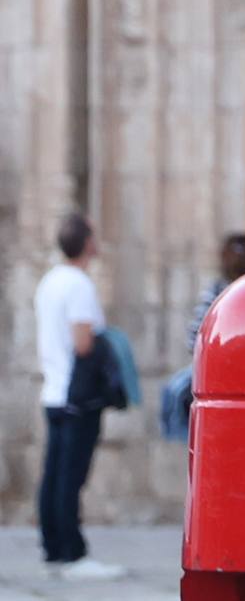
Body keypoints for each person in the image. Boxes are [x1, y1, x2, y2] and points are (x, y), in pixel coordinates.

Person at [32, 213, 125, 581]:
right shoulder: (79, 285)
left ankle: (53, 546)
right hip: (77, 397)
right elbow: (83, 341)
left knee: (54, 474)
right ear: (87, 242)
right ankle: (72, 553)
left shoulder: (50, 281)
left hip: (53, 392)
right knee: (71, 476)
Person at [162, 233, 245, 444]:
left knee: (175, 395)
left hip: (219, 371)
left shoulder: (217, 291)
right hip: (243, 371)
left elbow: (194, 339)